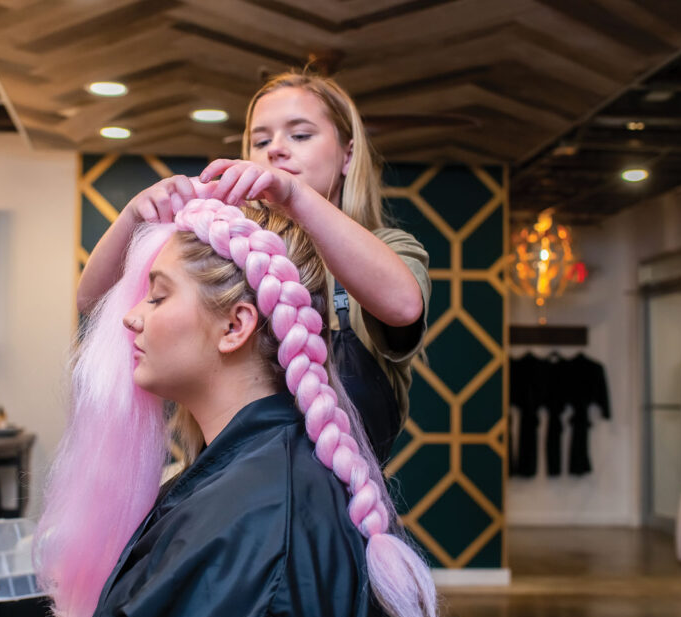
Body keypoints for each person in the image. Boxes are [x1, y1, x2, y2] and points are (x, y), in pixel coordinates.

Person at [37, 198, 445, 617]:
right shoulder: (247, 485)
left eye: (158, 295)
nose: (131, 318)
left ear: (235, 326)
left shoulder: (254, 523)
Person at [77, 71, 431, 464]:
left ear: (348, 155)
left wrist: (295, 196)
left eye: (300, 135)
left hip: (333, 509)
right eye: (261, 141)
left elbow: (402, 306)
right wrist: (133, 216)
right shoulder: (225, 244)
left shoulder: (388, 248)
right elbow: (93, 302)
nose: (276, 149)